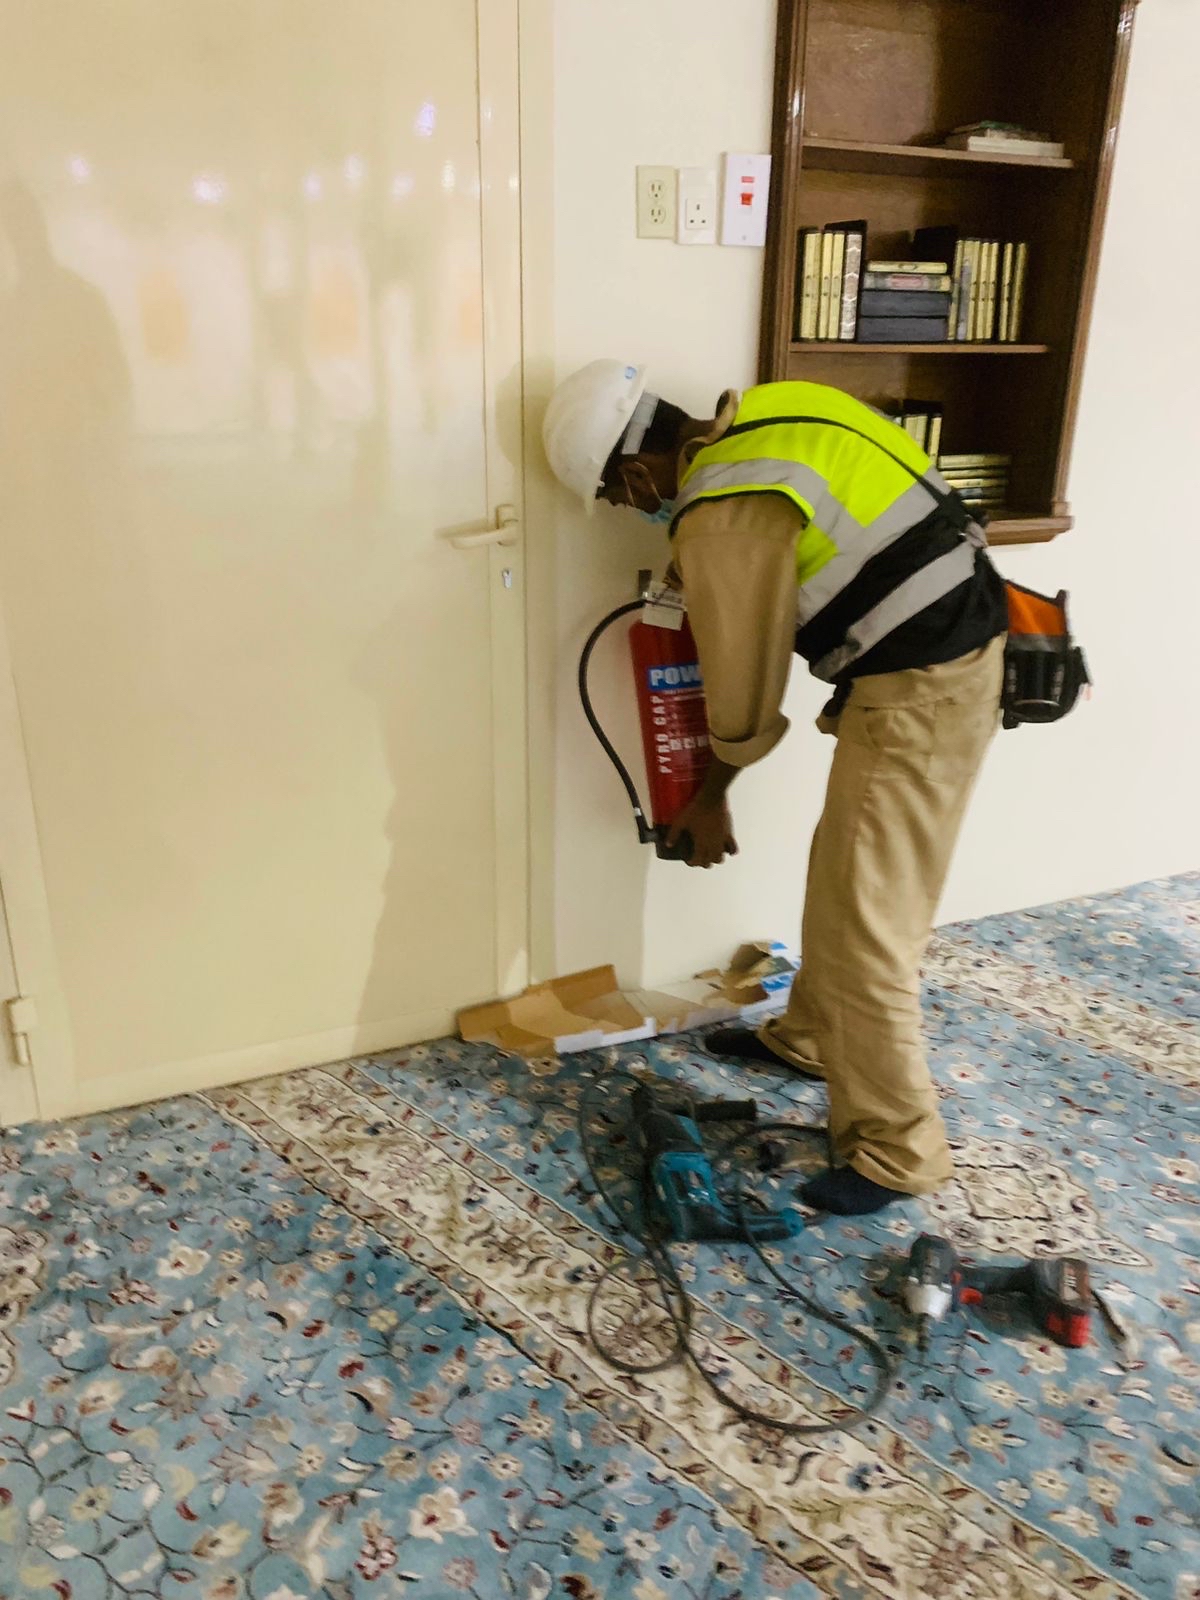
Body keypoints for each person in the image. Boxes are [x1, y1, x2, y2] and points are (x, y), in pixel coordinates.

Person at [542, 362, 1008, 1215]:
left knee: (868, 924)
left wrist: (708, 797)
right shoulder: (775, 411)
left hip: (924, 685)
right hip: (949, 648)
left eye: (615, 497)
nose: (629, 510)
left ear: (638, 473)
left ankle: (898, 1150)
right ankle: (812, 1038)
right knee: (844, 875)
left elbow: (744, 694)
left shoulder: (719, 513)